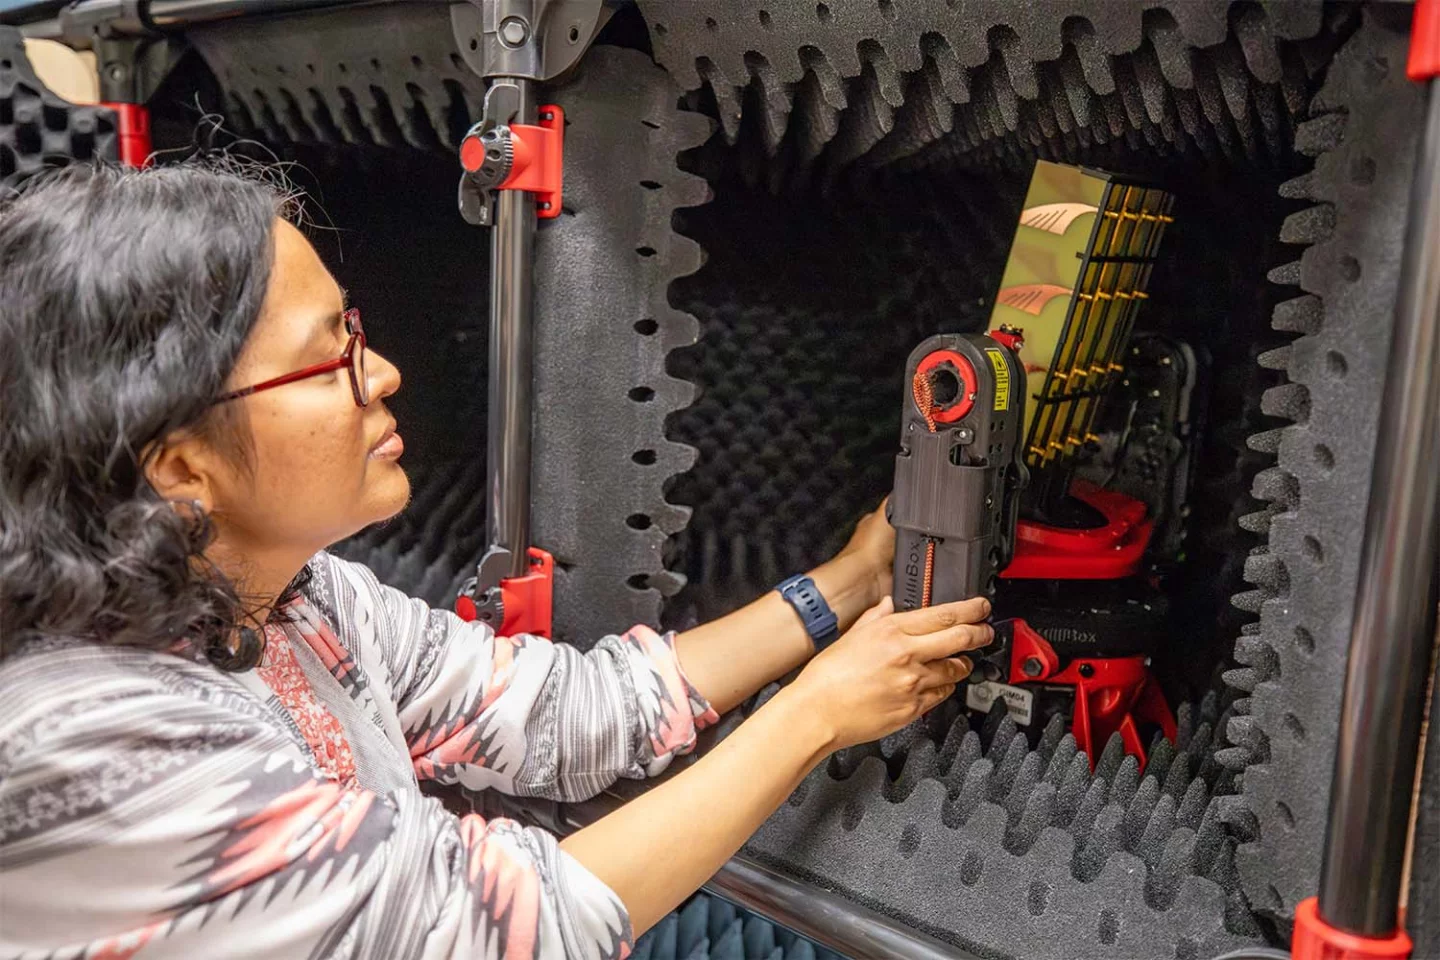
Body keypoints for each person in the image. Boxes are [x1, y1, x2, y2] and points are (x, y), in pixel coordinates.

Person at [0, 162, 992, 959]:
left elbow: (571, 713)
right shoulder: (87, 745)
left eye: (355, 328)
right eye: (328, 354)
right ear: (181, 466)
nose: (380, 372)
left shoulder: (297, 598)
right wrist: (817, 714)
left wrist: (849, 584)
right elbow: (490, 929)